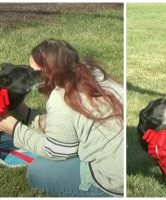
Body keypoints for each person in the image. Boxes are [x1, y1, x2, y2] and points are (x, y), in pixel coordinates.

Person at [0, 39, 124, 197]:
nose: (29, 73)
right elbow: (70, 122)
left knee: (37, 170)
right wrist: (28, 115)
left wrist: (16, 129)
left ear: (49, 71)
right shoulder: (93, 74)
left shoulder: (61, 97)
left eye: (33, 70)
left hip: (111, 181)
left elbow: (58, 151)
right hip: (121, 166)